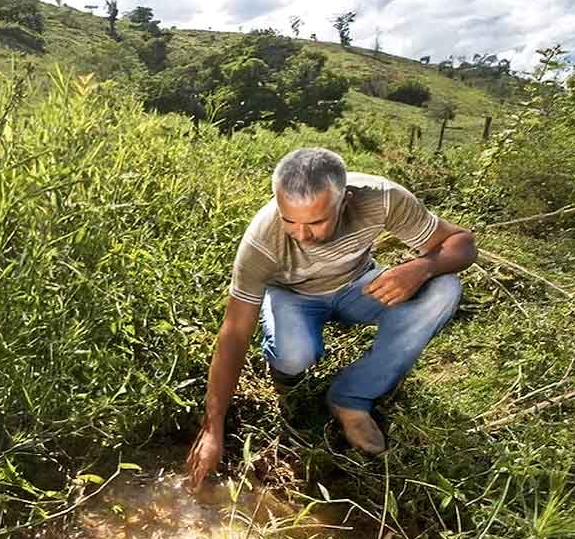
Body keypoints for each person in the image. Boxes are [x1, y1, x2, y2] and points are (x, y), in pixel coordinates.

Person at [185, 147, 477, 493]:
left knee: (444, 288)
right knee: (294, 355)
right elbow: (233, 334)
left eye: (316, 222)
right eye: (289, 219)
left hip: (359, 287)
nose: (301, 235)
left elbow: (463, 243)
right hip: (293, 297)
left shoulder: (382, 199)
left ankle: (352, 397)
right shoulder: (261, 243)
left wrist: (421, 267)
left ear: (345, 200)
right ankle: (285, 374)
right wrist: (212, 426)